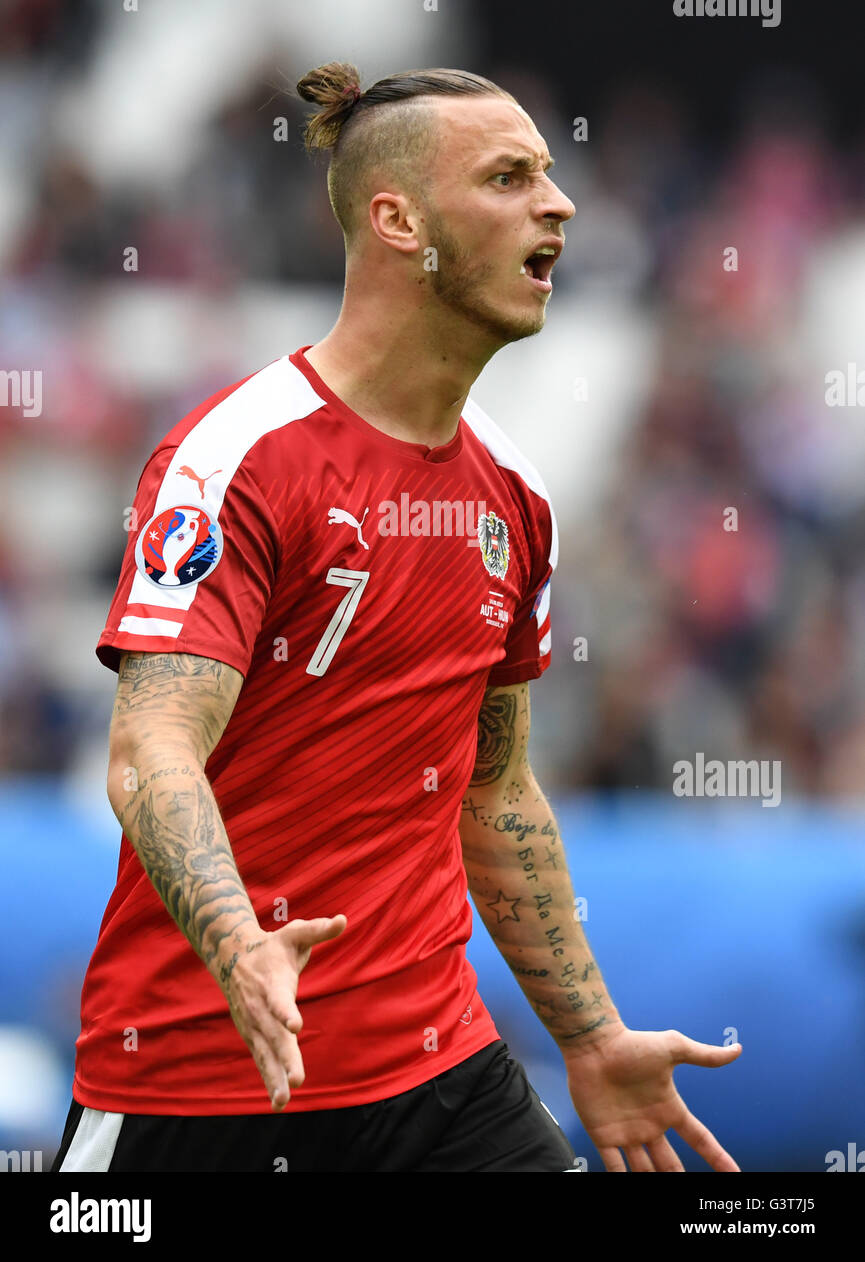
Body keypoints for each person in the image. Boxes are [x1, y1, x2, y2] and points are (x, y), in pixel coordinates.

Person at [52, 63, 742, 1173]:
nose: (557, 203)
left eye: (550, 176)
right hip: (208, 1082)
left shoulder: (513, 494)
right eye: (509, 177)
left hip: (441, 1076)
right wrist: (237, 942)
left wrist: (590, 1035)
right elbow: (150, 748)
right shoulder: (238, 459)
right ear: (397, 220)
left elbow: (493, 787)